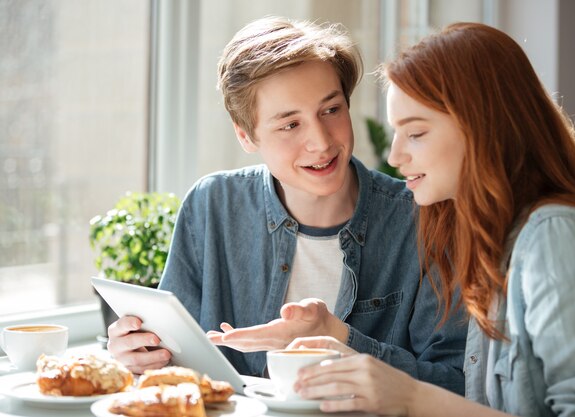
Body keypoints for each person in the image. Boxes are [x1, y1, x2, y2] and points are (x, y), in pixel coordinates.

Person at [106, 16, 467, 394]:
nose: (321, 142)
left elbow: (455, 385)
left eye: (331, 110)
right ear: (246, 136)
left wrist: (343, 341)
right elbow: (175, 364)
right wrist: (138, 355)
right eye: (290, 125)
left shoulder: (424, 218)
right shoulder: (211, 205)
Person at [292, 22, 575, 416]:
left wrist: (413, 399)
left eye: (415, 133)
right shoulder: (492, 244)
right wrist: (350, 350)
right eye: (395, 133)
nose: (396, 156)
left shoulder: (555, 238)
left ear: (484, 129)